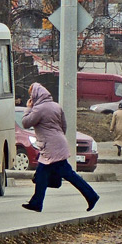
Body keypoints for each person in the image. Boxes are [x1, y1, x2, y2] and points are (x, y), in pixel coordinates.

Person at [21, 83, 99, 213]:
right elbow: (64, 126)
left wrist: (28, 108)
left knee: (66, 174)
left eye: (31, 95)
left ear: (36, 95)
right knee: (42, 174)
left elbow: (25, 123)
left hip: (50, 146)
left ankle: (92, 196)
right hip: (58, 143)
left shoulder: (39, 109)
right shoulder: (56, 106)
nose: (31, 98)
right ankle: (36, 202)